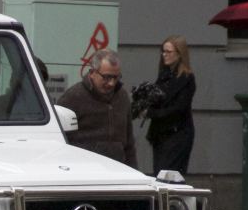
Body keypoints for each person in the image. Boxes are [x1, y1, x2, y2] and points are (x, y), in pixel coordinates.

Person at [57, 48, 136, 167]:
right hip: (84, 170)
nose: (111, 83)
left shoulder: (122, 96)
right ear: (92, 73)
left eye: (116, 77)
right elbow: (59, 140)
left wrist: (133, 170)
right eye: (106, 77)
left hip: (118, 169)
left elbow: (129, 141)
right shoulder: (73, 97)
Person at [146, 35, 196, 176]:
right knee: (160, 175)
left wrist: (152, 113)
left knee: (169, 176)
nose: (164, 55)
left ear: (179, 54)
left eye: (169, 52)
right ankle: (164, 198)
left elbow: (178, 109)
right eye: (163, 51)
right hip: (161, 134)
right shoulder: (164, 75)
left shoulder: (186, 78)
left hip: (177, 134)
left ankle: (171, 199)